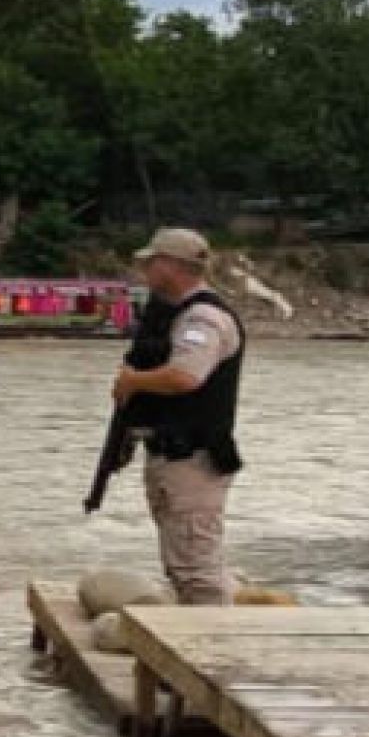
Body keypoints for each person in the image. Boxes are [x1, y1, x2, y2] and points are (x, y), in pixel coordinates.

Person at [111, 228, 244, 606]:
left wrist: (133, 381)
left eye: (150, 262)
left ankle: (212, 655)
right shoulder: (180, 314)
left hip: (193, 457)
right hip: (175, 454)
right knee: (182, 563)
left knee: (196, 571)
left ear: (170, 265)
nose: (144, 270)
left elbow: (186, 376)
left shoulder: (204, 318)